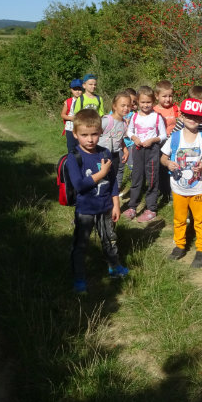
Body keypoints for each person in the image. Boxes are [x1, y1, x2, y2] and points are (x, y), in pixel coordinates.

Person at [66, 109, 128, 294]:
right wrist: (100, 174)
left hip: (106, 206)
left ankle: (114, 267)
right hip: (85, 209)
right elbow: (79, 185)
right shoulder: (74, 157)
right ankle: (79, 278)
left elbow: (113, 181)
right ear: (75, 134)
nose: (90, 139)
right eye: (84, 135)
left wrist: (116, 204)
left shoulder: (105, 153)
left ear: (101, 132)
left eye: (94, 134)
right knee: (81, 244)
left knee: (109, 239)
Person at [161, 97, 202, 268]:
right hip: (178, 189)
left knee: (200, 220)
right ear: (182, 117)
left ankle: (201, 249)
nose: (192, 119)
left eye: (196, 116)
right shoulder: (175, 137)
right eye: (189, 116)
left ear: (201, 119)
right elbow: (163, 158)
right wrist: (168, 163)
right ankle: (180, 245)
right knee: (179, 219)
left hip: (198, 189)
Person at [123, 86, 167, 222]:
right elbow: (129, 131)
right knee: (136, 178)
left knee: (152, 179)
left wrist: (153, 140)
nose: (145, 105)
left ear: (153, 101)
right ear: (137, 102)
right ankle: (132, 207)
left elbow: (163, 135)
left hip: (152, 150)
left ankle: (151, 208)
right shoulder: (135, 116)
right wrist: (134, 138)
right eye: (142, 102)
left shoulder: (157, 117)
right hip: (137, 150)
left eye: (148, 102)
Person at [154, 79, 180, 203]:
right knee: (161, 168)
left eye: (170, 96)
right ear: (157, 96)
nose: (168, 99)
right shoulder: (153, 110)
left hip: (174, 142)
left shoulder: (176, 109)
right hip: (159, 143)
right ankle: (163, 191)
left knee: (173, 166)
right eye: (164, 96)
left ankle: (173, 192)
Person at [100, 92, 131, 193]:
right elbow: (93, 134)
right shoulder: (107, 121)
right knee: (101, 177)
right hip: (101, 154)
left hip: (115, 155)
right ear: (114, 106)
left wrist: (125, 151)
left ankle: (110, 196)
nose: (126, 108)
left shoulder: (124, 123)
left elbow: (120, 139)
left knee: (112, 176)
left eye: (128, 105)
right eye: (123, 105)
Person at [61, 78, 84, 151]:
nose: (77, 91)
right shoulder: (68, 102)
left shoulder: (86, 101)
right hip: (70, 129)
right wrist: (72, 118)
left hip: (83, 129)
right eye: (75, 89)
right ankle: (71, 158)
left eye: (79, 89)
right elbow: (63, 115)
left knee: (82, 148)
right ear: (71, 90)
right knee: (71, 147)